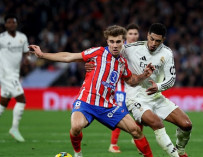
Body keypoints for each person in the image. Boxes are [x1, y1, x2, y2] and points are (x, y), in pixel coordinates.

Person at [29, 25, 155, 157]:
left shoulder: (122, 62)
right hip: (86, 101)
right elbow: (68, 57)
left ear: (123, 42)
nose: (115, 45)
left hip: (108, 105)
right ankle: (78, 153)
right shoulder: (97, 52)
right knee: (76, 127)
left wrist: (144, 75)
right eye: (112, 41)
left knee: (135, 130)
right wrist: (42, 55)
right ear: (107, 41)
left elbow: (130, 80)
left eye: (118, 41)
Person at [121, 23, 192, 157]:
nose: (153, 43)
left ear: (163, 40)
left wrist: (158, 87)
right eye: (151, 39)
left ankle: (181, 151)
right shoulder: (131, 48)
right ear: (147, 35)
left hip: (156, 97)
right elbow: (108, 53)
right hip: (135, 98)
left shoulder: (167, 53)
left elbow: (171, 79)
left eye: (158, 41)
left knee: (186, 125)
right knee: (157, 123)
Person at [108, 23, 140, 153]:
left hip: (135, 87)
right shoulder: (120, 48)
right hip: (121, 87)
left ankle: (136, 138)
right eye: (130, 33)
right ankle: (113, 145)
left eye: (135, 34)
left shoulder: (140, 49)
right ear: (125, 35)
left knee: (141, 113)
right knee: (120, 115)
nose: (133, 36)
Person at [0, 14, 30, 142]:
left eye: (14, 22)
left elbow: (26, 54)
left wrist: (27, 60)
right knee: (21, 99)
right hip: (5, 74)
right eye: (9, 22)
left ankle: (14, 128)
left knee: (3, 102)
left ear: (16, 24)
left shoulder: (22, 38)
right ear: (5, 24)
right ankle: (14, 128)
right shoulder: (1, 39)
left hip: (15, 73)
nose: (11, 24)